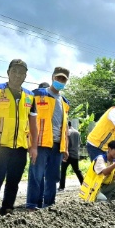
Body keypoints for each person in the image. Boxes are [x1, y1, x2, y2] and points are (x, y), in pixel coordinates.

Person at [0, 59, 38, 219]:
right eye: (14, 71)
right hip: (0, 146)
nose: (17, 75)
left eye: (21, 72)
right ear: (8, 73)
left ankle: (7, 211)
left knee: (14, 182)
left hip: (20, 147)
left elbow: (33, 126)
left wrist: (33, 147)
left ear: (26, 75)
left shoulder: (30, 96)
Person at [26, 67, 70, 210]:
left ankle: (49, 204)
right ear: (52, 77)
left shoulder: (65, 102)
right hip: (40, 142)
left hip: (58, 145)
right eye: (58, 78)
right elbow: (28, 117)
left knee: (52, 178)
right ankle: (33, 204)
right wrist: (30, 142)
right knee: (36, 175)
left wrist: (66, 147)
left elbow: (65, 127)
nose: (60, 81)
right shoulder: (37, 94)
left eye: (63, 79)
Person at [58, 121, 84, 192]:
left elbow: (66, 143)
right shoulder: (77, 133)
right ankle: (83, 184)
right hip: (75, 154)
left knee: (63, 171)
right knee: (77, 170)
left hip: (67, 154)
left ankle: (62, 186)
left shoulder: (67, 132)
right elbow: (79, 143)